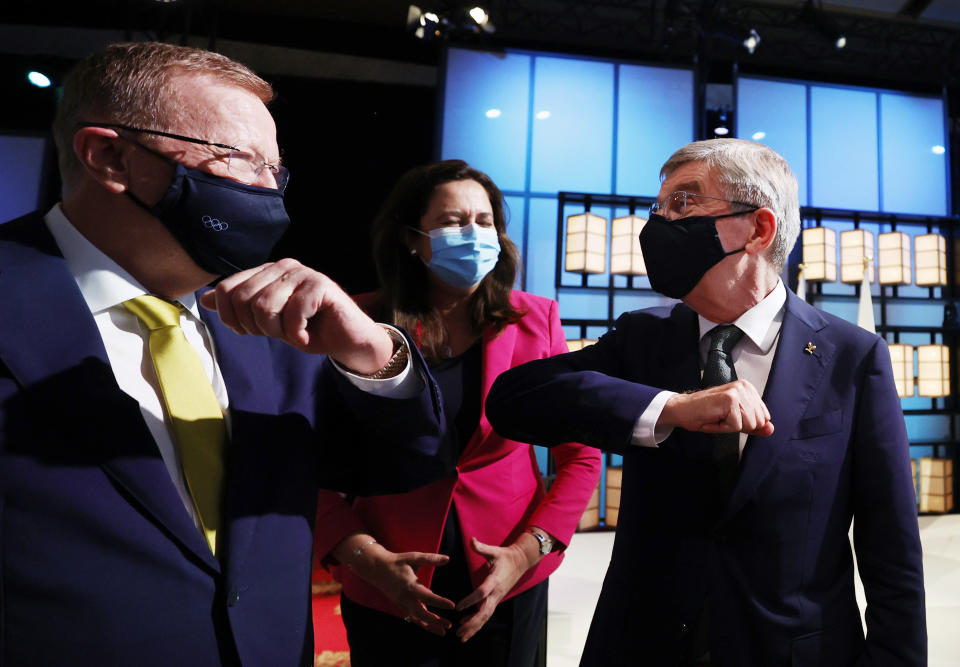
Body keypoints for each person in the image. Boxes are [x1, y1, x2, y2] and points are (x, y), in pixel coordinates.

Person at [0, 42, 453, 666]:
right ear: (108, 155)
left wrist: (374, 356)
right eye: (238, 159)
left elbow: (402, 468)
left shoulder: (277, 323)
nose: (269, 193)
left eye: (276, 171)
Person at [486, 138, 926, 666]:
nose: (658, 224)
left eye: (684, 204)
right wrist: (668, 408)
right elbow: (513, 400)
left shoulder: (852, 357)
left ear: (759, 229)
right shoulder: (642, 338)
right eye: (660, 206)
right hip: (642, 646)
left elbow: (892, 555)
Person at [313, 160, 602, 667]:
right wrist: (364, 556)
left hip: (507, 579)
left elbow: (580, 455)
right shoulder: (353, 324)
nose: (472, 234)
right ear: (411, 238)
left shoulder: (537, 322)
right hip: (386, 580)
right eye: (451, 222)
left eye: (484, 221)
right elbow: (304, 464)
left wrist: (528, 551)